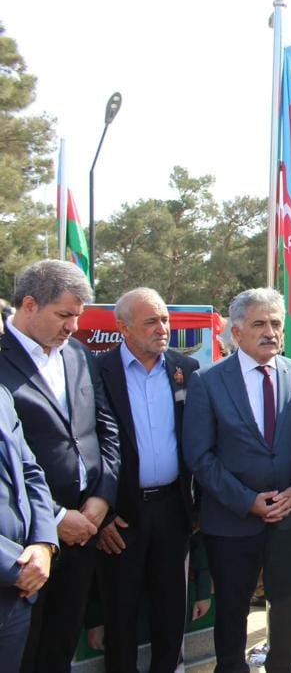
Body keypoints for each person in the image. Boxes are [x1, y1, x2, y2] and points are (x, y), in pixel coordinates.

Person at [183, 287, 291, 673]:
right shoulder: (207, 381)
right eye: (259, 323)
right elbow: (199, 456)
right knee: (232, 607)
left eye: (276, 323)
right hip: (231, 520)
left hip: (289, 519)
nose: (270, 332)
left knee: (289, 606)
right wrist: (247, 501)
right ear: (235, 332)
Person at [0, 259, 121, 673]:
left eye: (78, 316)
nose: (72, 326)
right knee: (23, 652)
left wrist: (103, 497)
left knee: (59, 648)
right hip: (25, 546)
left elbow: (104, 427)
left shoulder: (79, 354)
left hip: (85, 530)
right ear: (29, 304)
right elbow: (14, 460)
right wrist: (53, 518)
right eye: (64, 315)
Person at [95, 288, 199, 673]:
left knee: (172, 610)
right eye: (151, 321)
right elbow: (89, 446)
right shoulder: (96, 371)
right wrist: (101, 513)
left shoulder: (185, 369)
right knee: (120, 614)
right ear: (122, 327)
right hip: (122, 515)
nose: (163, 329)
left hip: (173, 510)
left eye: (166, 320)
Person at [0, 385, 58, 670]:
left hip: (17, 595)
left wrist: (44, 543)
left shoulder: (2, 395)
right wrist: (12, 566)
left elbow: (30, 472)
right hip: (17, 573)